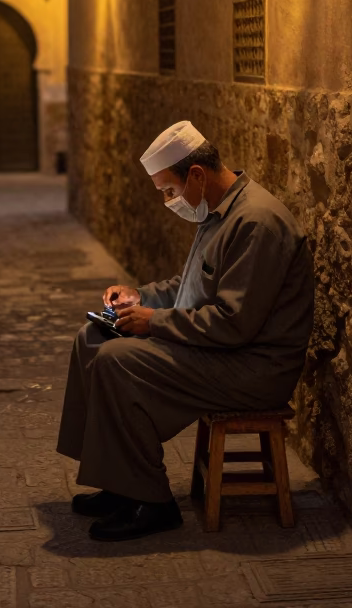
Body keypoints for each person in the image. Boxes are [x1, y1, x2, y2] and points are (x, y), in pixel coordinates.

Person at [56, 120, 314, 542]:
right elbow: (187, 287)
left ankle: (152, 502)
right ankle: (121, 482)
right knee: (93, 339)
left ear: (196, 174)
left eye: (168, 191)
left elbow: (233, 323)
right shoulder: (217, 212)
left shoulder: (255, 223)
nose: (168, 201)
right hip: (222, 351)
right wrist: (137, 297)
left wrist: (153, 322)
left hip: (253, 367)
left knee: (117, 361)